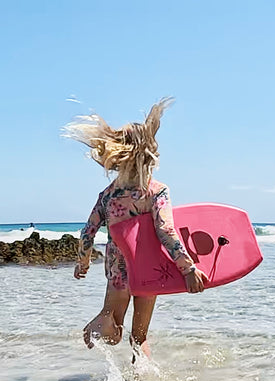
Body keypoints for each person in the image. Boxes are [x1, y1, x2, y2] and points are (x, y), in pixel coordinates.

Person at [66, 99, 208, 360]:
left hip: (118, 272)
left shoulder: (108, 195)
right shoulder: (156, 191)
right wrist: (187, 269)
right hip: (148, 270)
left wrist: (82, 262)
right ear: (149, 152)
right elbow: (166, 231)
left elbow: (88, 231)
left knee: (113, 329)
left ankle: (105, 320)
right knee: (139, 337)